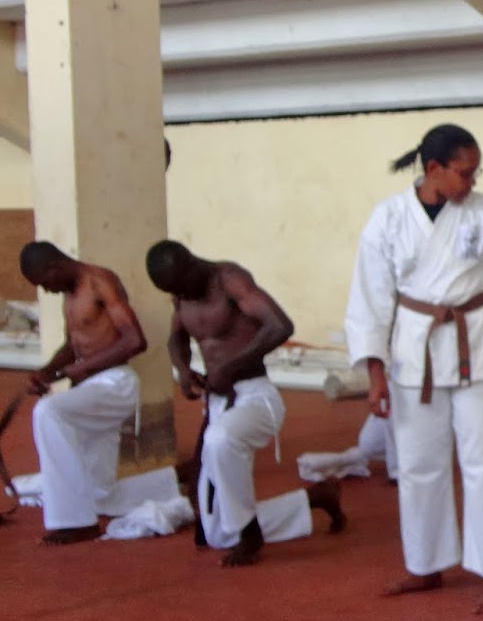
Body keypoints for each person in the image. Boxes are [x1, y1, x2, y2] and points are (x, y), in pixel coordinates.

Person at [346, 123, 483, 614]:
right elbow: (370, 299)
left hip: (481, 345)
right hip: (414, 350)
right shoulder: (388, 219)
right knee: (419, 464)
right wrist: (374, 373)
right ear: (433, 170)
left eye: (475, 172)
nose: (471, 182)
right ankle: (424, 564)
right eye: (464, 173)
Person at [146, 241, 344, 567]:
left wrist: (231, 367)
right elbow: (176, 337)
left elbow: (281, 325)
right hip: (217, 403)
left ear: (191, 264)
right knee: (214, 533)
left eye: (181, 286)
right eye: (174, 291)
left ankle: (250, 533)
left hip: (255, 396)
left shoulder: (229, 280)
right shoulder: (182, 291)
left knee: (220, 439)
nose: (181, 295)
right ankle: (316, 498)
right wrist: (183, 370)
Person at [18, 241, 148, 545]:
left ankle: (74, 521)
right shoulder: (69, 294)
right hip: (92, 385)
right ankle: (165, 487)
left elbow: (135, 340)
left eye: (44, 283)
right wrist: (46, 372)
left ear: (55, 266)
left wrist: (86, 367)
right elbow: (72, 347)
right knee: (99, 491)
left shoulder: (99, 281)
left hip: (117, 383)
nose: (47, 291)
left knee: (49, 412)